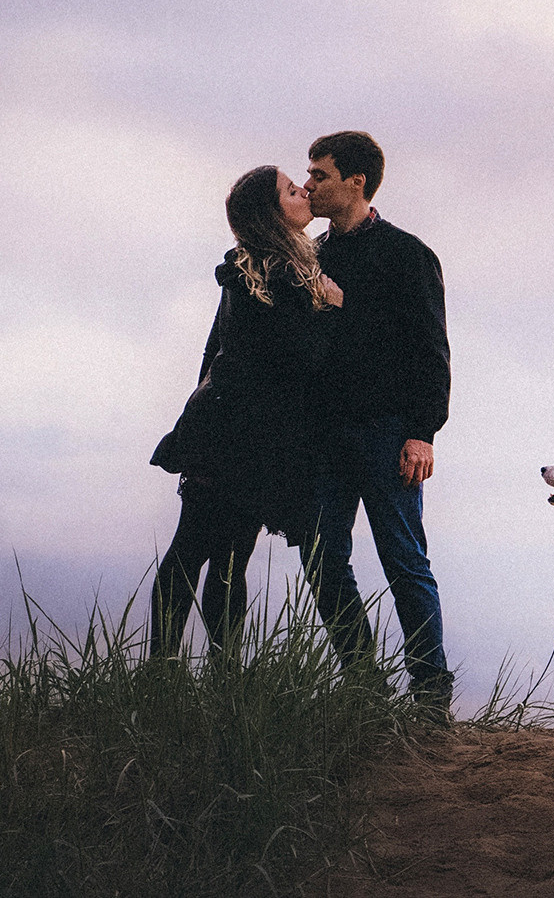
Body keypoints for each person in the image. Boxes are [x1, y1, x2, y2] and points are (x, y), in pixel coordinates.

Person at [148, 165, 343, 657]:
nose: (303, 192)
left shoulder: (274, 268)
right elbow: (298, 357)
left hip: (249, 437)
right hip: (232, 437)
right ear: (271, 213)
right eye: (291, 190)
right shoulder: (261, 272)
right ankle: (167, 668)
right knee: (195, 550)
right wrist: (332, 308)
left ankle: (218, 672)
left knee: (228, 556)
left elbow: (218, 353)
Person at [300, 130, 453, 715]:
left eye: (320, 175)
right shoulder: (310, 257)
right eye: (310, 176)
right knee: (321, 559)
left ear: (355, 182)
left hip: (389, 433)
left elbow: (431, 352)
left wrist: (423, 432)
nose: (310, 185)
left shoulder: (408, 254)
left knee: (405, 562)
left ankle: (431, 699)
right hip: (323, 436)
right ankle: (365, 686)